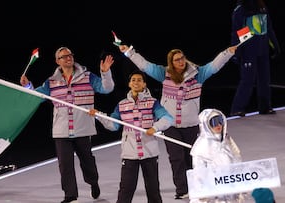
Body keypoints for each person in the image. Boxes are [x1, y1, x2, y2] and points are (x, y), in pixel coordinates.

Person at [118, 44, 237, 199]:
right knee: (176, 158)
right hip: (171, 125)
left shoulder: (197, 74)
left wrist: (227, 53)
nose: (181, 61)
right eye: (177, 60)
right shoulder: (164, 74)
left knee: (191, 158)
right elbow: (145, 65)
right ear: (171, 63)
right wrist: (129, 52)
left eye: (182, 58)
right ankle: (182, 189)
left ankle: (195, 186)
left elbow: (214, 66)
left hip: (191, 125)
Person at [20, 46, 115, 203]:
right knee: (65, 165)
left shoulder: (87, 76)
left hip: (83, 128)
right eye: (64, 56)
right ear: (58, 61)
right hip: (61, 131)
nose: (68, 58)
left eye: (70, 55)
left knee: (87, 162)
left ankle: (93, 182)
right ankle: (70, 195)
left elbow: (107, 89)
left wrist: (105, 73)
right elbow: (37, 96)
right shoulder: (51, 82)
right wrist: (27, 86)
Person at [88, 70, 174, 203]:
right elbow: (113, 125)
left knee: (153, 190)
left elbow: (168, 118)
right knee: (126, 189)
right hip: (130, 153)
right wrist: (99, 116)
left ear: (144, 84)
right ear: (129, 84)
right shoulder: (122, 105)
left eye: (139, 80)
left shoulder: (152, 103)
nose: (136, 82)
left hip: (149, 152)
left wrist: (155, 127)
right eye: (133, 80)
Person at [229, 0, 281, 117]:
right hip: (249, 51)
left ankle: (265, 107)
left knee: (264, 80)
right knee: (247, 80)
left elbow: (269, 28)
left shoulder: (262, 7)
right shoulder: (241, 10)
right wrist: (237, 52)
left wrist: (275, 46)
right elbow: (237, 32)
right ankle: (237, 109)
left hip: (263, 50)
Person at [189, 108, 244, 203]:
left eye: (220, 121)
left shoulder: (227, 141)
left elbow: (237, 162)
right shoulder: (201, 148)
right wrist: (200, 196)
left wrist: (240, 188)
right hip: (213, 194)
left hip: (230, 190)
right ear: (206, 125)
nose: (219, 125)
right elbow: (198, 175)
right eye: (214, 122)